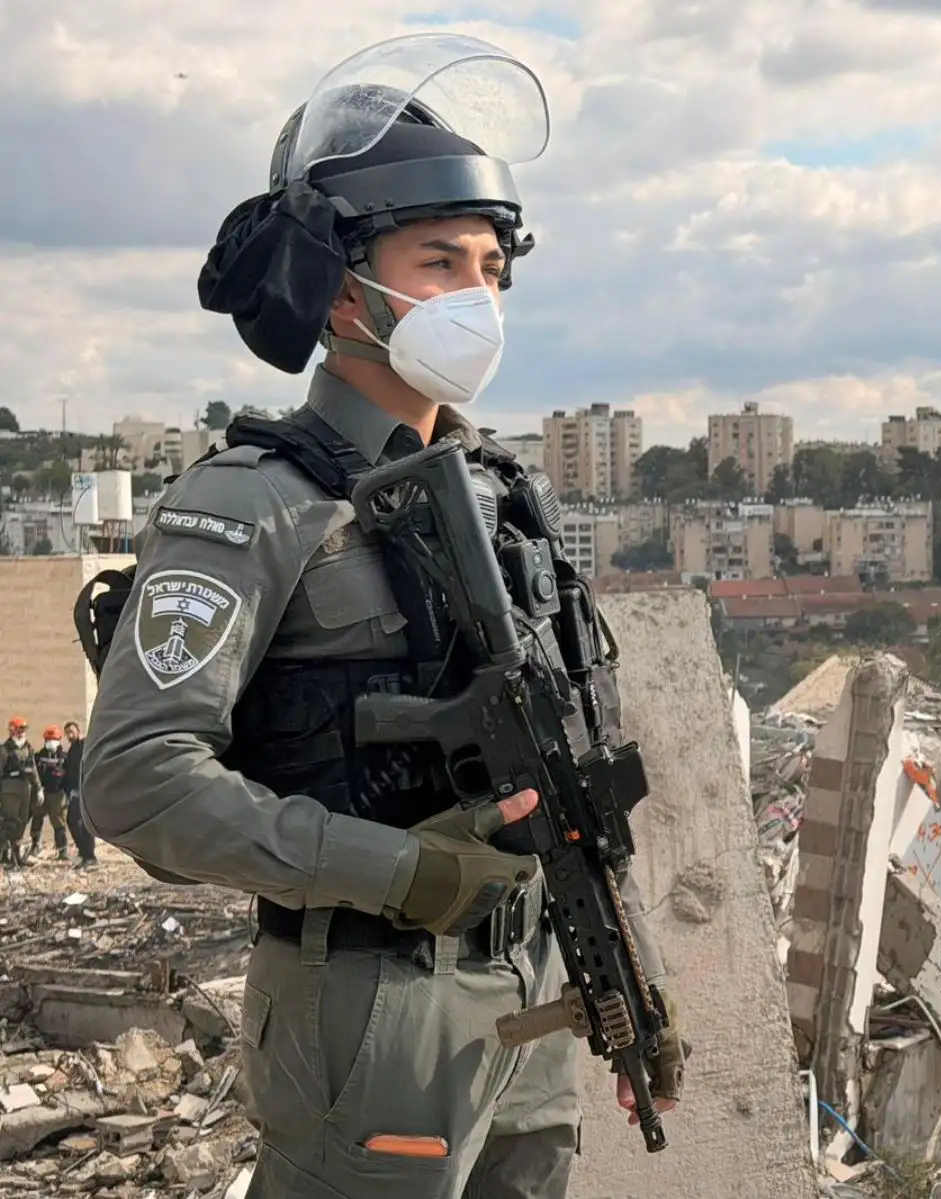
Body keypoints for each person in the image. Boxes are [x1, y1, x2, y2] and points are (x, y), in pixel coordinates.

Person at [77, 33, 682, 1199]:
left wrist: (633, 985)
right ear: (343, 282)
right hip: (368, 1001)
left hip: (540, 989)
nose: (478, 294)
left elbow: (575, 768)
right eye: (441, 260)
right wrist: (399, 869)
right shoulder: (254, 503)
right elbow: (136, 778)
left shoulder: (506, 499)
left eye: (494, 266)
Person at [0, 719, 40, 869]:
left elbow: (33, 768)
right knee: (10, 822)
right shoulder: (5, 749)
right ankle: (6, 856)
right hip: (9, 788)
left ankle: (16, 857)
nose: (22, 732)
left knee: (22, 821)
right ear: (12, 730)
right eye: (19, 729)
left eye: (24, 729)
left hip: (25, 788)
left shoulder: (28, 747)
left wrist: (39, 788)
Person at [61, 722, 97, 869]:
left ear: (78, 731)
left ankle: (90, 855)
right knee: (73, 821)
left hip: (83, 790)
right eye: (67, 733)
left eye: (71, 732)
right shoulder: (73, 748)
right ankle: (84, 854)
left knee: (81, 822)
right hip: (74, 791)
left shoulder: (84, 746)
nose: (69, 735)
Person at [32, 726, 70, 862]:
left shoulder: (65, 758)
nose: (50, 741)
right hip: (41, 792)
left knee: (58, 822)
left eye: (53, 739)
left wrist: (68, 794)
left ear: (59, 740)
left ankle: (62, 850)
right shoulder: (38, 756)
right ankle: (35, 845)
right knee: (37, 818)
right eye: (48, 739)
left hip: (58, 794)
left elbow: (69, 776)